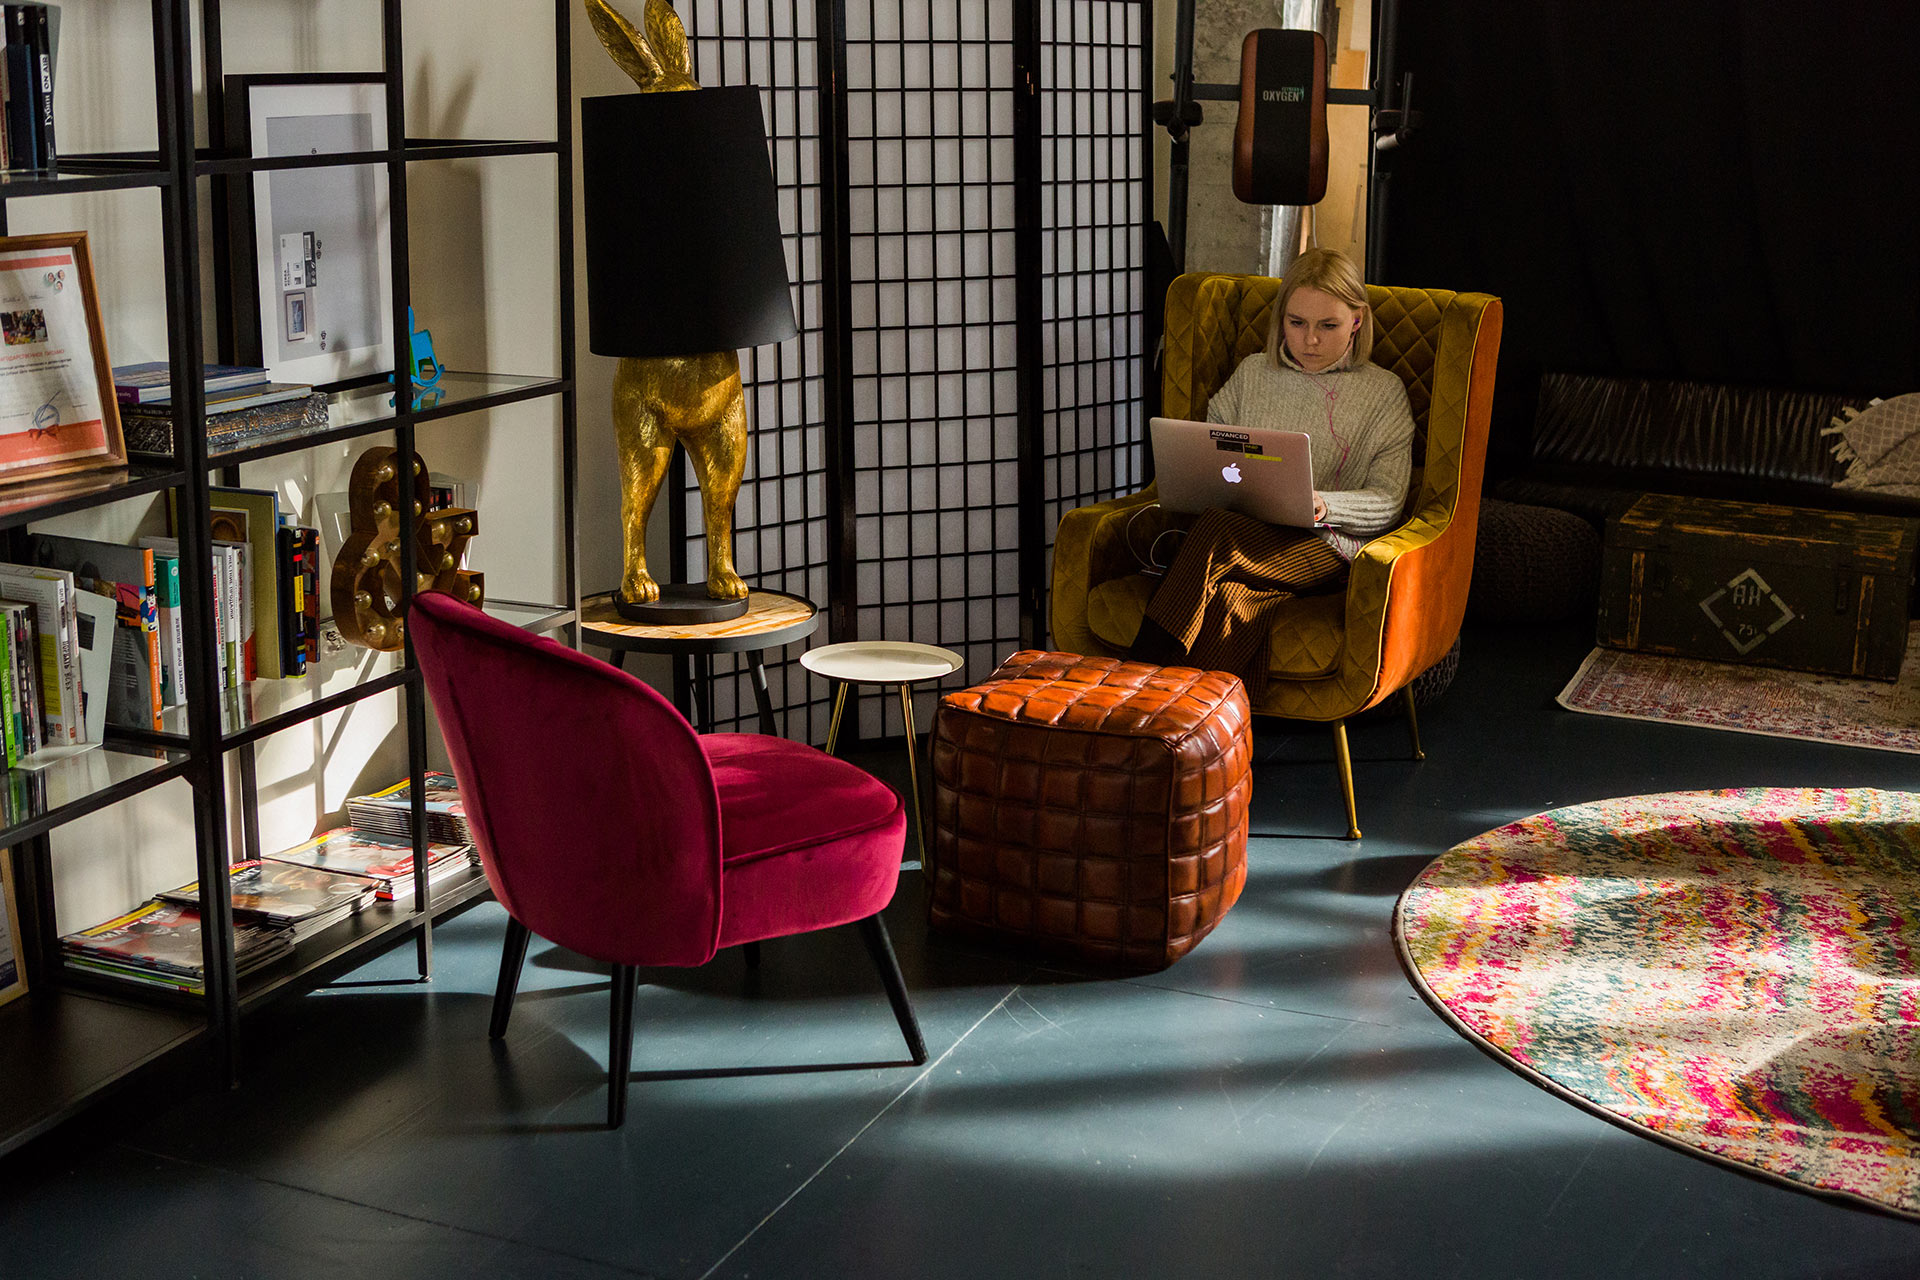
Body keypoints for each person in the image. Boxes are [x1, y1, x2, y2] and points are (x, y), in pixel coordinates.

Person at [1130, 247, 1416, 693]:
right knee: (1234, 600)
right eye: (1296, 322)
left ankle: (1130, 679)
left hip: (1327, 546)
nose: (1310, 340)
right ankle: (1189, 720)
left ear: (1357, 321)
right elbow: (1211, 441)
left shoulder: (1383, 392)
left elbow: (1389, 500)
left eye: (1328, 325)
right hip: (1244, 533)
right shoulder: (1253, 373)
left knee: (1216, 531)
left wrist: (1324, 505)